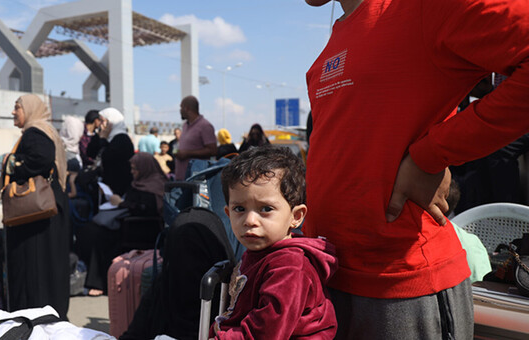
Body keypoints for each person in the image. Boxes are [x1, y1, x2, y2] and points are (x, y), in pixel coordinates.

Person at [303, 0, 529, 338]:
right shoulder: (340, 35)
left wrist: (433, 154)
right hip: (326, 274)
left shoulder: (424, 7)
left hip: (398, 286)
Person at [211, 145, 337, 339]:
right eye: (239, 209)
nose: (250, 220)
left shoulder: (290, 267)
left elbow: (266, 331)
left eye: (266, 208)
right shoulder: (260, 252)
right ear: (228, 213)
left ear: (296, 216)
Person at [0, 94, 70, 318]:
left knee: (34, 266)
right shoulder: (44, 130)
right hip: (46, 208)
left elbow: (41, 159)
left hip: (36, 214)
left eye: (17, 107)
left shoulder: (35, 133)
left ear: (29, 110)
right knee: (47, 265)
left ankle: (34, 315)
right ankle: (49, 312)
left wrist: (11, 164)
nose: (13, 112)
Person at [75, 152, 166, 296]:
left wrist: (122, 203)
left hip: (142, 228)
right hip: (127, 222)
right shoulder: (137, 183)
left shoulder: (155, 185)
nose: (132, 172)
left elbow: (148, 209)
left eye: (135, 169)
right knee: (88, 230)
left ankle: (98, 283)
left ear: (144, 168)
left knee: (100, 236)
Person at [86, 108, 135, 196]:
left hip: (118, 184)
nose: (100, 124)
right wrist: (100, 137)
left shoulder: (122, 139)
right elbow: (90, 153)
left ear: (111, 122)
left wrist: (103, 139)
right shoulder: (105, 136)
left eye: (103, 121)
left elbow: (107, 157)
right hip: (105, 184)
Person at [174, 96, 217, 180]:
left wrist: (187, 153)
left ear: (186, 108)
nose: (180, 110)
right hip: (182, 179)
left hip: (194, 180)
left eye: (181, 107)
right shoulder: (185, 126)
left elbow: (213, 150)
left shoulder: (205, 126)